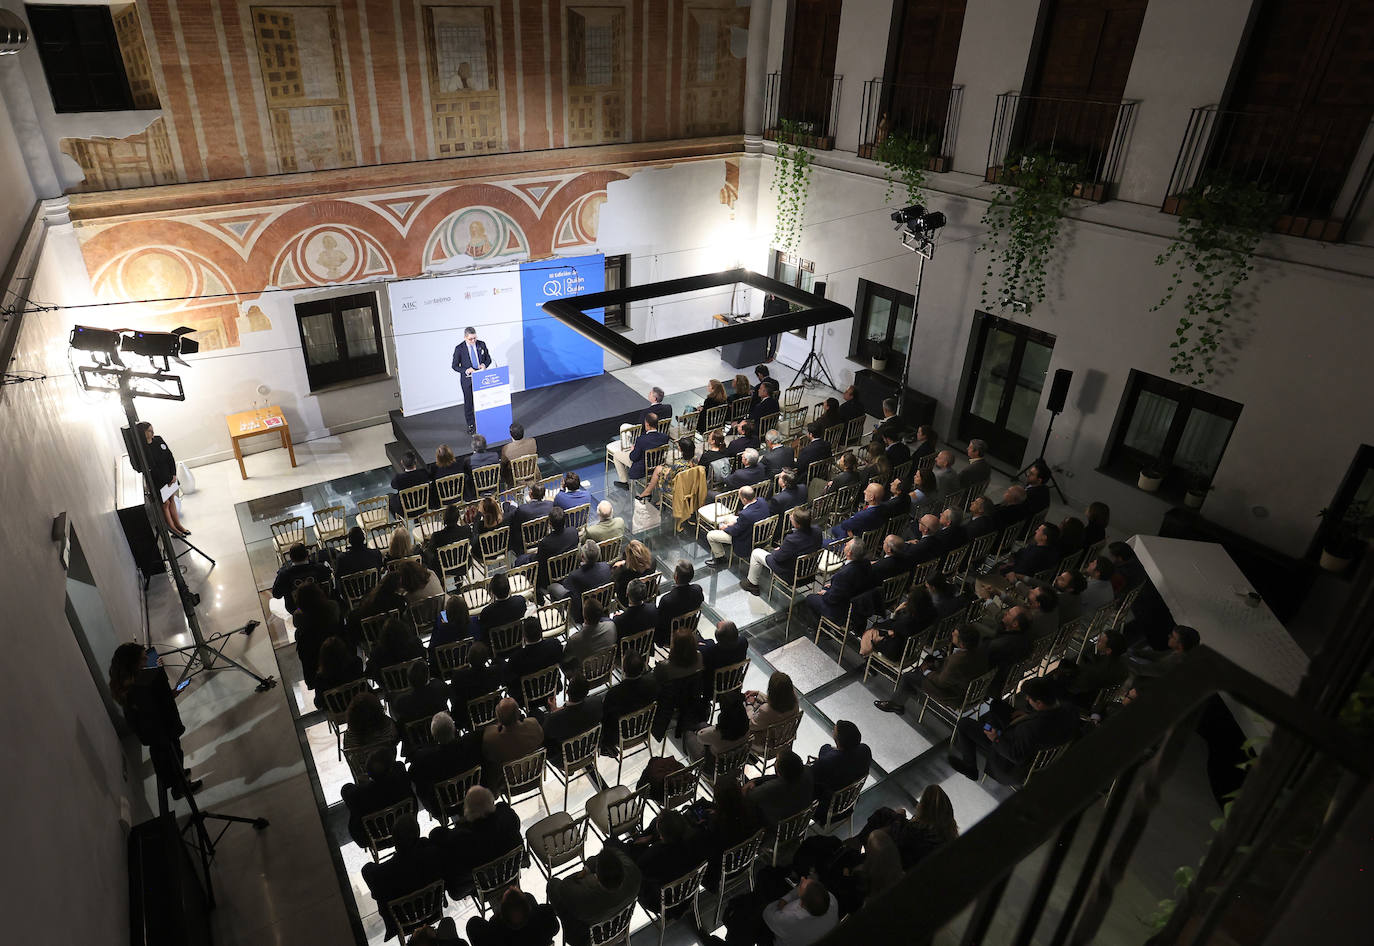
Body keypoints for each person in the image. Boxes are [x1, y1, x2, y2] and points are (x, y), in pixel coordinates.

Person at [109, 642, 202, 798]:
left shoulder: (128, 681)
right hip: (158, 732)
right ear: (133, 663)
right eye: (144, 659)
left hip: (158, 730)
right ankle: (178, 787)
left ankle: (177, 774)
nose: (147, 662)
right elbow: (152, 709)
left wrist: (170, 693)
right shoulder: (135, 688)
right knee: (170, 755)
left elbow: (156, 702)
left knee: (174, 754)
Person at [948, 677, 1080, 783]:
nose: (1027, 699)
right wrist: (1029, 716)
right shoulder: (1069, 709)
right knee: (996, 705)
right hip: (1033, 735)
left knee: (964, 723)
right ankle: (990, 726)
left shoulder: (1032, 728)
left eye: (1029, 698)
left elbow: (1015, 755)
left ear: (1039, 704)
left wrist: (996, 738)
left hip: (1008, 758)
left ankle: (970, 767)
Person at [361, 812, 446, 941]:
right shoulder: (433, 855)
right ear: (417, 834)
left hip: (400, 922)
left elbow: (366, 870)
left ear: (394, 840)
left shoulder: (383, 873)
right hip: (433, 911)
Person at [546, 847, 640, 946]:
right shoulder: (635, 874)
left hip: (587, 939)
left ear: (598, 876)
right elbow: (617, 852)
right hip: (619, 928)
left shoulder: (583, 899)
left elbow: (565, 884)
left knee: (553, 884)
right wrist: (592, 865)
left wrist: (585, 871)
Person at [610, 809, 701, 911]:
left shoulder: (654, 854)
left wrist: (633, 845)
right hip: (686, 893)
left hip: (658, 901)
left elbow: (637, 869)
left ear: (661, 835)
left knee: (613, 845)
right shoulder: (693, 844)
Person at [408, 711, 483, 821]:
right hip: (472, 794)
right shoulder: (470, 745)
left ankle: (440, 817)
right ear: (454, 729)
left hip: (444, 806)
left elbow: (413, 775)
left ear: (433, 735)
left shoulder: (425, 759)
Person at [341, 746, 413, 847]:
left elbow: (346, 790)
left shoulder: (358, 794)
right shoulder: (401, 779)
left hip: (375, 840)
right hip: (406, 830)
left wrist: (364, 784)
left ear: (368, 772)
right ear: (390, 768)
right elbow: (399, 765)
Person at [742, 506, 821, 595]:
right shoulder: (817, 530)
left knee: (756, 553)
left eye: (792, 516)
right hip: (809, 571)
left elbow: (778, 558)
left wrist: (777, 551)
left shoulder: (791, 540)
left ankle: (752, 584)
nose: (790, 516)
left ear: (797, 524)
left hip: (791, 574)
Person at [134, 422, 190, 536]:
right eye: (150, 431)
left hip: (169, 476)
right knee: (165, 504)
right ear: (143, 433)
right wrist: (167, 479)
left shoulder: (158, 440)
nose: (152, 433)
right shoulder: (142, 449)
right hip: (158, 480)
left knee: (172, 500)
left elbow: (169, 456)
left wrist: (173, 475)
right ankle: (173, 529)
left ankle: (179, 525)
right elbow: (151, 467)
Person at [600, 651, 660, 756]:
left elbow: (605, 719)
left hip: (620, 736)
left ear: (623, 669)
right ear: (643, 668)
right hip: (645, 728)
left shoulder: (614, 694)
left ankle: (606, 747)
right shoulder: (653, 683)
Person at [809, 720, 871, 820]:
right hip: (850, 802)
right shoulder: (865, 750)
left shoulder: (826, 762)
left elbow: (810, 779)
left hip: (827, 811)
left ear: (837, 741)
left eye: (834, 730)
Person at [860, 582, 937, 661]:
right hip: (914, 650)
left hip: (898, 653)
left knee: (871, 633)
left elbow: (881, 625)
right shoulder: (931, 613)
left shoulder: (906, 622)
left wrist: (895, 612)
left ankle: (866, 657)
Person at [804, 538, 874, 623]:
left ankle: (820, 632)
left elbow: (832, 599)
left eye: (847, 544)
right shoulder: (866, 563)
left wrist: (826, 593)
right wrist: (834, 586)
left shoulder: (844, 574)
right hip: (857, 604)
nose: (845, 544)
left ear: (849, 553)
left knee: (810, 598)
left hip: (841, 610)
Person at [292, 580, 346, 691]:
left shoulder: (299, 617)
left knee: (298, 634)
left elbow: (297, 612)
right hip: (334, 643)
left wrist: (299, 607)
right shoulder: (333, 607)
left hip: (312, 651)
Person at [542, 674, 604, 768]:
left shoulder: (554, 719)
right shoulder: (596, 702)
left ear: (566, 692)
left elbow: (545, 738)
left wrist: (554, 713)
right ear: (586, 692)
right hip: (589, 750)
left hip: (564, 760)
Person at [481, 697, 543, 791]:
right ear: (518, 713)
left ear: (498, 719)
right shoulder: (533, 725)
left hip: (509, 787)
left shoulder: (491, 739)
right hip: (535, 779)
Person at [466, 885, 560, 946]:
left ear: (500, 915)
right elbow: (554, 926)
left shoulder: (495, 932)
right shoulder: (545, 920)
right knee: (529, 896)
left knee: (473, 923)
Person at [706, 484, 771, 568]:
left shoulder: (745, 515)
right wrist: (735, 523)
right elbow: (742, 522)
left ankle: (720, 558)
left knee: (711, 535)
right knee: (728, 517)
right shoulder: (762, 501)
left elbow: (735, 531)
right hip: (760, 534)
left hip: (746, 539)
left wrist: (725, 528)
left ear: (744, 499)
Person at [745, 749, 813, 828]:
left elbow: (748, 795)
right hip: (797, 824)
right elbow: (774, 777)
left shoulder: (771, 788)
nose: (774, 763)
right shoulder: (807, 773)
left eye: (776, 761)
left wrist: (750, 783)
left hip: (772, 826)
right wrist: (756, 781)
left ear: (780, 773)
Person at [761, 876, 839, 945]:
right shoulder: (832, 900)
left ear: (801, 904)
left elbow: (767, 912)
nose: (802, 878)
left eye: (801, 886)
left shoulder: (788, 920)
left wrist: (783, 901)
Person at [554, 540, 612, 625]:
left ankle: (561, 619)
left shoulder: (575, 575)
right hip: (603, 604)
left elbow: (566, 585)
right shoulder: (606, 567)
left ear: (582, 556)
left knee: (553, 587)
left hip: (582, 613)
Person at [504, 621, 563, 704]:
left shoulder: (516, 659)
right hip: (552, 688)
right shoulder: (555, 645)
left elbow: (510, 683)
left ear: (524, 636)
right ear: (541, 631)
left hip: (527, 697)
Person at [745, 671, 801, 757]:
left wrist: (749, 705)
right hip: (785, 741)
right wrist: (758, 693)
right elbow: (778, 700)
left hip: (768, 748)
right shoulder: (795, 703)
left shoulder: (766, 711)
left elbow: (750, 724)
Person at [526, 505, 578, 597]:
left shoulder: (545, 542)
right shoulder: (573, 532)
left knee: (526, 560)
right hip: (569, 569)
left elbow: (539, 563)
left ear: (550, 523)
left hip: (551, 576)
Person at [685, 689, 750, 763]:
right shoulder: (747, 726)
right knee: (702, 724)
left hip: (711, 766)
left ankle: (690, 757)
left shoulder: (716, 734)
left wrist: (714, 727)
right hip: (735, 760)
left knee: (688, 733)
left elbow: (700, 737)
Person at [451, 326, 493, 434]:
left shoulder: (481, 344)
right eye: (470, 339)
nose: (473, 341)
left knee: (483, 401)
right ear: (465, 338)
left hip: (481, 378)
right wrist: (466, 370)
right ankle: (471, 425)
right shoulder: (459, 348)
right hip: (467, 380)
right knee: (469, 403)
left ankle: (485, 422)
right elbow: (454, 366)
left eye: (474, 338)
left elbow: (488, 358)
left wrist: (484, 365)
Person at [451, 642, 505, 723]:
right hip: (492, 712)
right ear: (486, 659)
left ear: (468, 658)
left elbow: (456, 701)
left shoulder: (459, 678)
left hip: (469, 719)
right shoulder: (495, 672)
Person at [612, 415, 669, 489]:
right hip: (657, 465)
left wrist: (633, 450)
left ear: (647, 425)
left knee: (616, 455)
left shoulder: (641, 440)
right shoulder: (664, 437)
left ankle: (624, 482)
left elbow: (633, 457)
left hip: (642, 469)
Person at [656, 560, 704, 645]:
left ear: (676, 577)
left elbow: (660, 622)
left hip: (672, 636)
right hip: (690, 628)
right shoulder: (697, 590)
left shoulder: (667, 600)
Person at [272, 543, 332, 611]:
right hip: (320, 606)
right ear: (307, 554)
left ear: (290, 557)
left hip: (297, 610)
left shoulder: (284, 574)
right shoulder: (319, 568)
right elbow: (329, 578)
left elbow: (276, 594)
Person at [367, 618, 426, 686]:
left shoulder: (377, 653)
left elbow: (369, 673)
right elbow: (424, 658)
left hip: (391, 687)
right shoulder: (416, 643)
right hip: (417, 683)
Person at [1126, 624, 1201, 678]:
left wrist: (1121, 655)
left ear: (1180, 645)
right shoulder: (1179, 652)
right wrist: (1134, 652)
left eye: (1172, 636)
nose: (1169, 636)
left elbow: (1140, 670)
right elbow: (1158, 655)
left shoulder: (1176, 661)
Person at [564, 598, 616, 673]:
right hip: (606, 671)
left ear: (584, 615)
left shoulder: (575, 640)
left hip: (586, 678)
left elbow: (565, 658)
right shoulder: (611, 626)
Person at [313, 637, 366, 710]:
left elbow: (318, 703)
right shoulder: (356, 663)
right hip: (359, 705)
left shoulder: (321, 677)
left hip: (337, 711)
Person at [700, 620, 749, 700]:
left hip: (713, 691)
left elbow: (706, 647)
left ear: (718, 639)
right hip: (734, 685)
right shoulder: (743, 642)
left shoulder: (710, 652)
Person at [506, 484, 554, 556]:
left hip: (526, 545)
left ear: (530, 494)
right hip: (544, 540)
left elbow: (515, 527)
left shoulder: (522, 509)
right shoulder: (550, 505)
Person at [479, 572, 527, 641]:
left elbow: (484, 633)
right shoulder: (520, 601)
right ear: (509, 588)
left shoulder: (486, 612)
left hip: (497, 645)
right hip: (518, 640)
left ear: (492, 593)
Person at [613, 580, 657, 647]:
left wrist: (620, 617)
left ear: (627, 594)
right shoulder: (653, 608)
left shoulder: (619, 621)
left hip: (627, 653)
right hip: (645, 647)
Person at [611, 539, 654, 606]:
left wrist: (620, 566)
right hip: (648, 593)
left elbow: (616, 587)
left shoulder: (623, 573)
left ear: (629, 559)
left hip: (628, 601)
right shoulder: (653, 562)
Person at [391, 450, 433, 515]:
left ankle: (398, 522)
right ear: (415, 462)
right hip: (423, 507)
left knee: (390, 497)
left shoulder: (398, 479)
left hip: (406, 511)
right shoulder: (423, 473)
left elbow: (393, 485)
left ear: (402, 463)